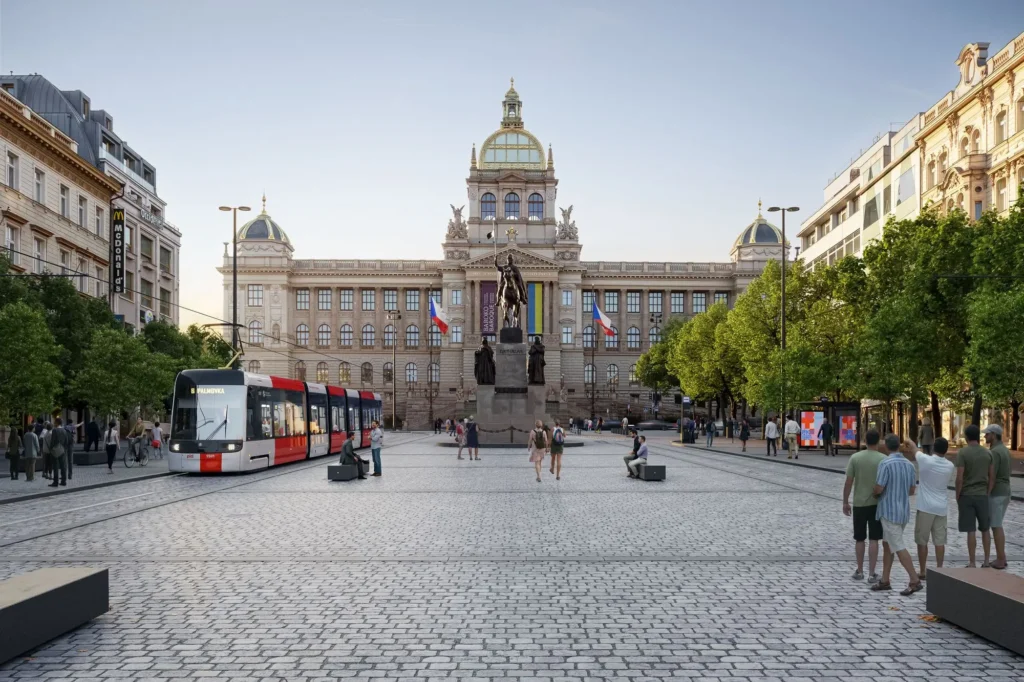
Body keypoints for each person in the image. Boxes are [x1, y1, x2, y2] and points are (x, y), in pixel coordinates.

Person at [871, 434, 922, 596]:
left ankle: (914, 580)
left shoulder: (885, 463)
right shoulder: (909, 465)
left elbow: (879, 487)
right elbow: (912, 490)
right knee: (888, 545)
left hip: (888, 511)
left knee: (898, 546)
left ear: (886, 446)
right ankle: (885, 580)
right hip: (902, 511)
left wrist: (875, 493)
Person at [843, 429, 885, 583]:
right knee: (874, 539)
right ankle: (872, 573)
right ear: (878, 441)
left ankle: (859, 570)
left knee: (859, 538)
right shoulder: (883, 459)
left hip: (859, 503)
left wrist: (845, 501)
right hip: (877, 504)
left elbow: (849, 482)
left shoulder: (855, 458)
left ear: (865, 441)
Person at [914, 436, 954, 580]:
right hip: (941, 508)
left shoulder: (926, 460)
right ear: (946, 450)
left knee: (922, 541)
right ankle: (939, 569)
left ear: (933, 448)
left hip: (925, 507)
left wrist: (909, 441)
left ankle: (922, 571)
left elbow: (914, 450)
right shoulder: (950, 466)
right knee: (940, 541)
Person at [955, 423, 994, 568]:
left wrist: (958, 494)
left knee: (970, 530)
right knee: (985, 529)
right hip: (982, 495)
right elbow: (992, 476)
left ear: (966, 437)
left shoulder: (963, 453)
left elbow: (959, 477)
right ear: (978, 437)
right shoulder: (988, 453)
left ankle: (972, 561)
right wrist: (987, 492)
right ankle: (986, 560)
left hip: (966, 495)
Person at [983, 424, 1011, 570]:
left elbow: (991, 476)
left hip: (997, 493)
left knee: (996, 525)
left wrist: (987, 492)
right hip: (1005, 490)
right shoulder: (1004, 449)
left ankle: (1000, 559)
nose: (985, 436)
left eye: (987, 434)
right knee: (997, 524)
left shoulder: (994, 452)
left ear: (994, 435)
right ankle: (1002, 556)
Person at [48, 417, 70, 487]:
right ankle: (63, 481)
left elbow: (53, 440)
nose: (54, 423)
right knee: (63, 466)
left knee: (55, 466)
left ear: (57, 422)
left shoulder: (55, 430)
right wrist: (64, 448)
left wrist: (51, 449)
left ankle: (55, 482)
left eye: (55, 422)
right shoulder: (64, 430)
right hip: (62, 450)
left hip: (55, 450)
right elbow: (66, 441)